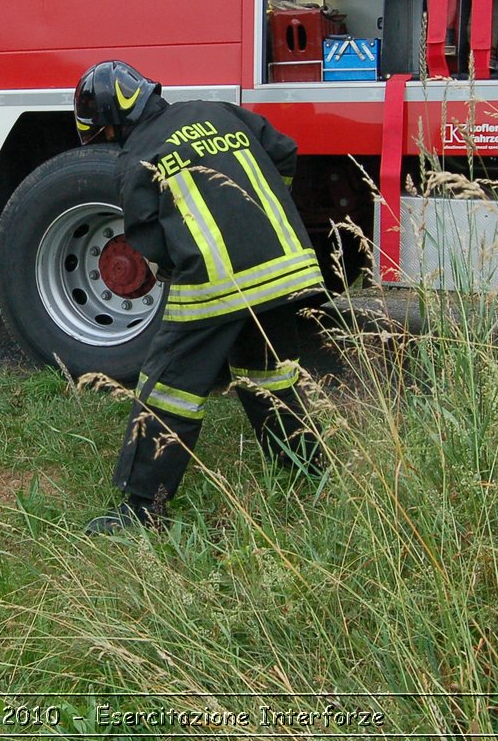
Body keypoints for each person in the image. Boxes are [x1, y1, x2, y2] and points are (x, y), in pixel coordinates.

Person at [72, 60, 326, 534]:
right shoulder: (220, 112)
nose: (110, 139)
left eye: (106, 130)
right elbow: (284, 153)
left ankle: (143, 511)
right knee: (267, 376)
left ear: (117, 117)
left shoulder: (137, 158)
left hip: (217, 283)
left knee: (167, 387)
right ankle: (308, 471)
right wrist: (255, 218)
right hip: (285, 266)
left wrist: (175, 263)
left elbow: (148, 242)